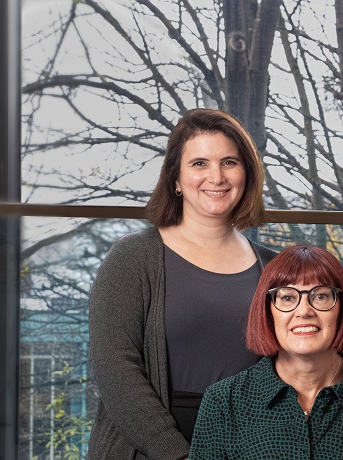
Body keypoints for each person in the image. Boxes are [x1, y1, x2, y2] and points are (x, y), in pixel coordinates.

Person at [87, 108, 276, 460]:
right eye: (199, 164)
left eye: (230, 162)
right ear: (175, 179)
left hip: (247, 445)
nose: (216, 177)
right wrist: (173, 452)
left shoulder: (273, 266)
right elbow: (116, 367)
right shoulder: (132, 257)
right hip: (149, 447)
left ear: (247, 174)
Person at [188, 245, 343, 459]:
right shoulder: (223, 402)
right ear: (267, 311)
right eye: (287, 297)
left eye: (321, 296)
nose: (304, 311)